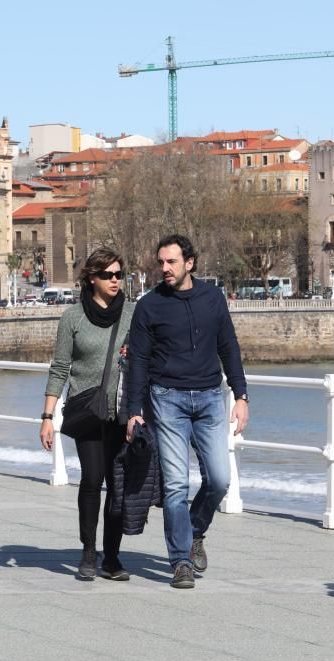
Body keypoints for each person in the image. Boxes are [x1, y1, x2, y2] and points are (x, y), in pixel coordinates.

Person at [125, 234, 249, 590]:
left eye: (171, 262)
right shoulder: (149, 306)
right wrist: (134, 411)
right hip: (167, 399)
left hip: (211, 398)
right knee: (177, 484)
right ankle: (180, 561)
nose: (164, 268)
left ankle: (195, 531)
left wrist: (241, 395)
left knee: (220, 480)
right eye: (160, 262)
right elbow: (138, 362)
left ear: (189, 263)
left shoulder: (213, 298)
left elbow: (229, 347)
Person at [39, 248, 135, 581]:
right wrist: (47, 416)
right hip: (87, 411)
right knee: (93, 479)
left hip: (123, 414)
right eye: (108, 275)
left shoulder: (132, 314)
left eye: (119, 275)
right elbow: (61, 367)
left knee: (118, 486)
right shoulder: (73, 318)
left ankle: (112, 556)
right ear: (91, 278)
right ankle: (89, 552)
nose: (114, 281)